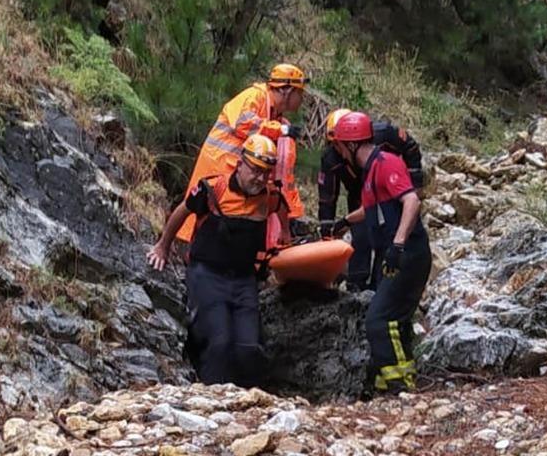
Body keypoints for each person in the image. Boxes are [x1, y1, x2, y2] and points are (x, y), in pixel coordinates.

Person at [148, 135, 288, 387]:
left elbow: (282, 210)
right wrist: (162, 246)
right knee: (219, 342)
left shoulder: (269, 197)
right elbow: (181, 211)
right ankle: (210, 396)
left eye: (265, 173)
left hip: (244, 279)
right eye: (255, 170)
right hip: (207, 274)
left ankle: (250, 404)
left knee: (248, 348)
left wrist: (286, 237)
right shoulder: (213, 189)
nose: (259, 178)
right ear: (240, 164)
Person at [329, 111, 432, 395]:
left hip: (407, 254)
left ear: (349, 145)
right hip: (396, 254)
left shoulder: (386, 163)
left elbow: (411, 201)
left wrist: (398, 244)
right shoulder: (371, 171)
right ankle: (389, 382)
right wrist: (345, 221)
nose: (337, 153)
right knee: (394, 318)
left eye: (338, 146)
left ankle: (400, 386)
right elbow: (372, 208)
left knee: (378, 318)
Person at [176, 63, 308, 243]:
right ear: (287, 90)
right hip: (220, 165)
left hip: (239, 171)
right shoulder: (255, 97)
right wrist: (280, 130)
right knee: (203, 214)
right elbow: (243, 123)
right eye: (299, 93)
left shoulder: (274, 114)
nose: (301, 99)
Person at [319, 108, 424, 291]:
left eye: (340, 145)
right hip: (359, 193)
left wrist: (414, 182)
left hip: (388, 187)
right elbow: (327, 197)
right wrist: (328, 230)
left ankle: (384, 280)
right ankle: (357, 284)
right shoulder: (331, 158)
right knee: (361, 236)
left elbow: (410, 146)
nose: (338, 150)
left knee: (390, 232)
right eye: (334, 145)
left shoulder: (383, 134)